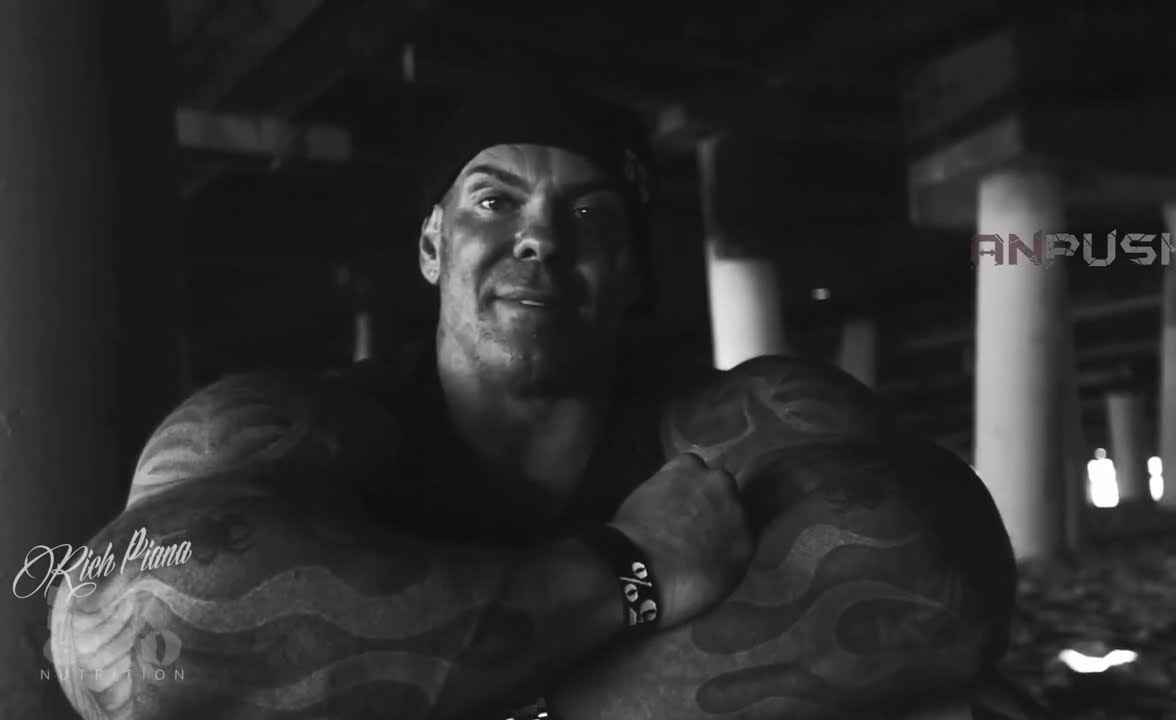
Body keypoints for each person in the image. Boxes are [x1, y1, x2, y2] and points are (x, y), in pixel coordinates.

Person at [48, 81, 1041, 720]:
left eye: (588, 213)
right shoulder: (293, 425)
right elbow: (128, 629)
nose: (539, 237)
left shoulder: (742, 420)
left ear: (630, 270)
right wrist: (628, 571)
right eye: (494, 201)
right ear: (432, 245)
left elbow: (939, 582)